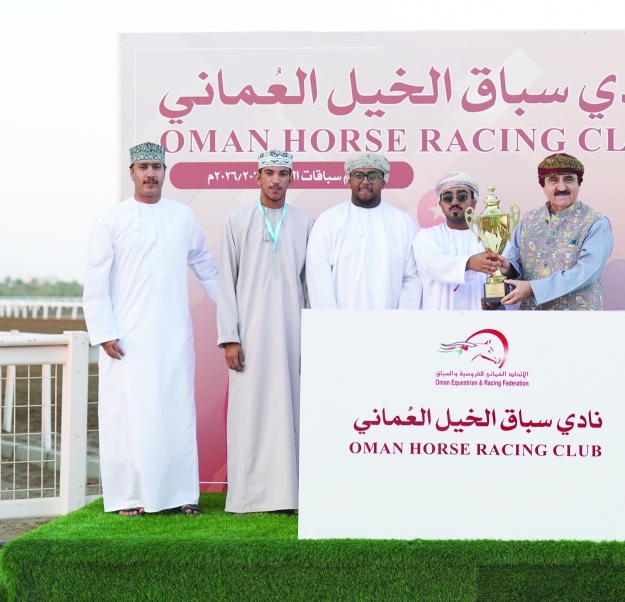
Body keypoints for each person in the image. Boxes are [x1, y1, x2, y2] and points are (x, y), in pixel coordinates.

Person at [83, 141, 218, 517]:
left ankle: (181, 495)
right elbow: (95, 282)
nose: (150, 174)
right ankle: (130, 498)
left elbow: (204, 263)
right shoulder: (111, 219)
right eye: (143, 167)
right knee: (128, 413)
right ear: (131, 173)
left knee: (176, 410)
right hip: (125, 339)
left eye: (156, 167)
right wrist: (104, 331)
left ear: (165, 172)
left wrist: (235, 308)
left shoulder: (182, 216)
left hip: (173, 334)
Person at [216, 149, 314, 513]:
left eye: (282, 173)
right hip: (250, 336)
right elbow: (226, 282)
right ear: (256, 177)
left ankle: (291, 496)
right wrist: (230, 337)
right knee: (251, 411)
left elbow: (310, 285)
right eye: (269, 173)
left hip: (293, 333)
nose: (275, 180)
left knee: (292, 409)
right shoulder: (236, 222)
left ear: (292, 179)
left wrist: (313, 338)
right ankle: (249, 497)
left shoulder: (305, 224)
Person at [306, 152, 421, 309]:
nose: (365, 182)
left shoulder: (403, 223)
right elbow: (318, 276)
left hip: (390, 326)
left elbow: (411, 278)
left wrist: (402, 322)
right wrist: (330, 322)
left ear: (384, 181)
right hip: (341, 326)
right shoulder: (329, 221)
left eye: (372, 176)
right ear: (348, 180)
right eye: (358, 175)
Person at [499, 153, 614, 310]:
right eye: (553, 180)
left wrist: (534, 288)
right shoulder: (529, 220)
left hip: (579, 322)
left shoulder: (596, 222)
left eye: (568, 179)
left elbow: (587, 271)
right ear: (543, 186)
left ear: (579, 183)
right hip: (533, 320)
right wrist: (508, 268)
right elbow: (516, 264)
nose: (561, 187)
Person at [412, 172, 500, 310]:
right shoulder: (427, 236)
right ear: (440, 204)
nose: (454, 202)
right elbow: (432, 264)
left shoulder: (492, 235)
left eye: (462, 196)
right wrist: (469, 263)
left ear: (474, 202)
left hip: (482, 319)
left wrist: (498, 299)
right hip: (439, 320)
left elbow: (507, 270)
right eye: (448, 198)